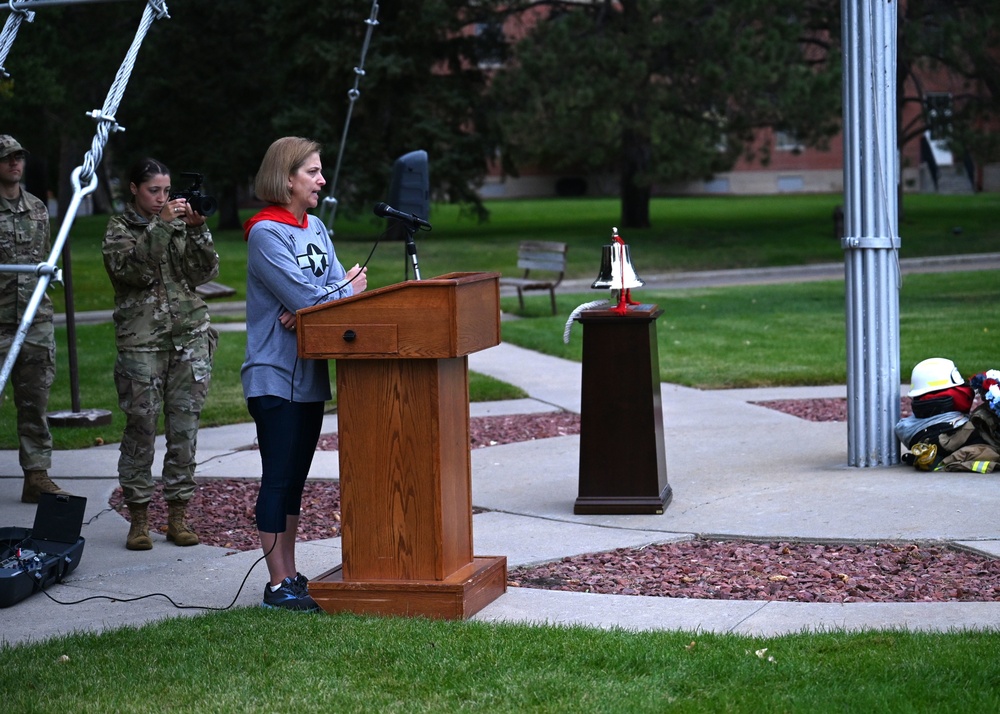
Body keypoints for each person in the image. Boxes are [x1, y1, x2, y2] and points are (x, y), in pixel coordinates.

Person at [242, 137, 367, 611]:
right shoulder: (265, 233)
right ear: (286, 177)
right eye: (312, 172)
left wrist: (316, 304)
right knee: (277, 478)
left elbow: (323, 301)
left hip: (311, 377)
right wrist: (328, 296)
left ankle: (291, 574)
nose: (321, 180)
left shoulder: (315, 226)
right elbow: (323, 295)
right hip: (274, 375)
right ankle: (277, 584)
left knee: (295, 479)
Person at [102, 158, 220, 550]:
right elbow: (132, 272)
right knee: (141, 429)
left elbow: (204, 274)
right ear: (134, 188)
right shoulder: (119, 229)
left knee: (184, 432)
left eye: (167, 191)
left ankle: (178, 516)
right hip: (142, 344)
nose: (163, 198)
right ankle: (138, 517)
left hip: (189, 338)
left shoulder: (179, 224)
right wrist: (165, 224)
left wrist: (198, 230)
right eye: (154, 190)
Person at [0, 134, 71, 504]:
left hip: (34, 319)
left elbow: (42, 258)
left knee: (34, 402)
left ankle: (36, 475)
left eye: (19, 157)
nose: (15, 164)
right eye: (7, 158)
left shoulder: (37, 209)